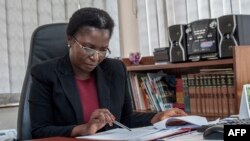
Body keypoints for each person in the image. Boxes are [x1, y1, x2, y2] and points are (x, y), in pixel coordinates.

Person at [29, 7, 187, 139]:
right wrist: (82, 129)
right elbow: (39, 131)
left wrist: (157, 117)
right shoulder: (45, 74)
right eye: (88, 47)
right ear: (70, 40)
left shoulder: (115, 69)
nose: (95, 57)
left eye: (103, 50)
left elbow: (125, 119)